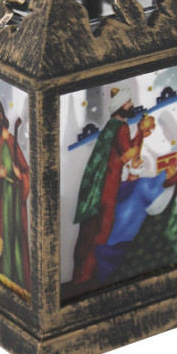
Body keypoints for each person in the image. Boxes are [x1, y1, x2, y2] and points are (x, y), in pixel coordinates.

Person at [72, 87, 151, 285]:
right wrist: (141, 131)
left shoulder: (111, 125)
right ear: (121, 105)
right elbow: (128, 155)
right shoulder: (121, 127)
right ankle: (91, 276)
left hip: (98, 186)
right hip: (107, 187)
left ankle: (82, 275)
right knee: (102, 229)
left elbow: (123, 152)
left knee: (90, 231)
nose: (132, 104)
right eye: (129, 101)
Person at [0, 97, 30, 290]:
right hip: (5, 198)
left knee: (18, 235)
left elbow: (26, 169)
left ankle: (21, 279)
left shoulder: (12, 140)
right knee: (6, 235)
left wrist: (19, 174)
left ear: (1, 115)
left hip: (16, 198)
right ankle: (7, 276)